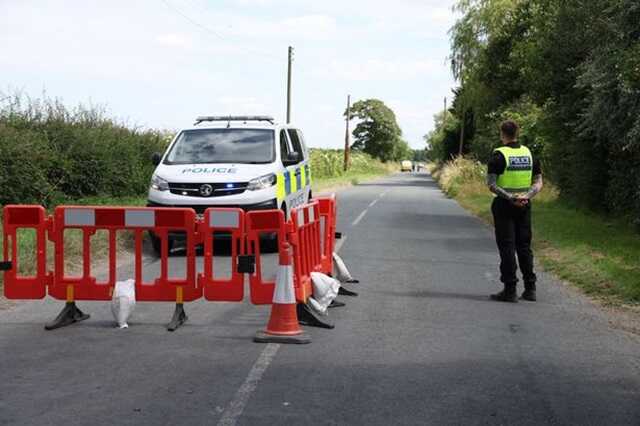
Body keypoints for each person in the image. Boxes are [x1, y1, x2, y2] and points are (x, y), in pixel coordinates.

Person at [487, 120, 543, 302]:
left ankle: (510, 289)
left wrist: (511, 198)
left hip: (504, 205)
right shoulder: (529, 154)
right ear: (517, 133)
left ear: (502, 133)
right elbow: (538, 182)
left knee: (507, 246)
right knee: (524, 246)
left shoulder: (498, 156)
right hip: (525, 205)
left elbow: (492, 185)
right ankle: (530, 288)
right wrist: (526, 196)